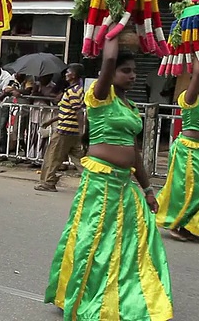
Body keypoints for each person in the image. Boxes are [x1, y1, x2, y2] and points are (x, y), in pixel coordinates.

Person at [44, 36, 173, 320]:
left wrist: (149, 188)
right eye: (126, 70)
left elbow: (134, 152)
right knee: (95, 240)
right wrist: (116, 22)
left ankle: (123, 296)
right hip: (100, 184)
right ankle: (83, 294)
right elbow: (109, 59)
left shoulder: (131, 107)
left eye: (135, 71)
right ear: (110, 73)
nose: (133, 75)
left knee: (132, 244)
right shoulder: (100, 97)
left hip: (124, 183)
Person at [155, 58, 199, 243]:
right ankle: (177, 225)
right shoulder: (190, 99)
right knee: (190, 188)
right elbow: (198, 74)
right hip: (187, 149)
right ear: (198, 84)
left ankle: (189, 225)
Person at [35, 64, 86, 192]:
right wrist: (50, 121)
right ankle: (94, 182)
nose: (65, 74)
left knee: (52, 156)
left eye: (68, 72)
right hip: (72, 130)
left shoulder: (72, 92)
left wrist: (82, 131)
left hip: (65, 131)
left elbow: (78, 112)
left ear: (73, 75)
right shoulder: (78, 90)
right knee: (80, 160)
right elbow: (67, 111)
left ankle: (48, 182)